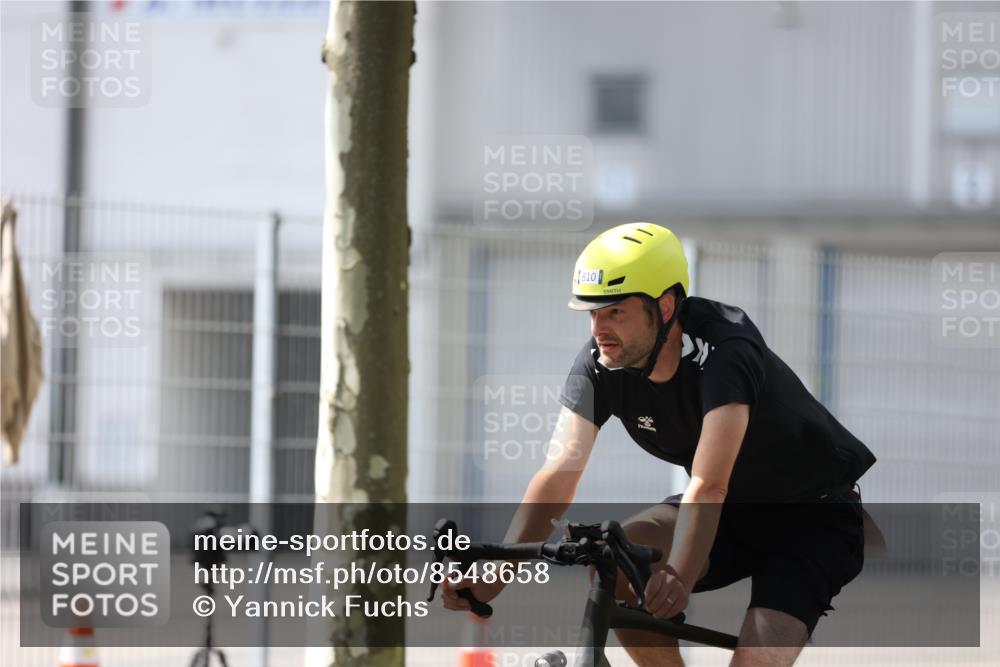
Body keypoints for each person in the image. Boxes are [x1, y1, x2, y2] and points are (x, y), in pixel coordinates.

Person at [442, 222, 876, 667]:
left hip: (811, 519)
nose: (599, 329)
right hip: (728, 513)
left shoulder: (725, 347)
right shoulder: (602, 361)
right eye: (592, 313)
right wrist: (495, 573)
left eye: (615, 312)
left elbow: (709, 483)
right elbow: (557, 475)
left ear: (664, 306)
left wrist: (680, 576)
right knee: (618, 562)